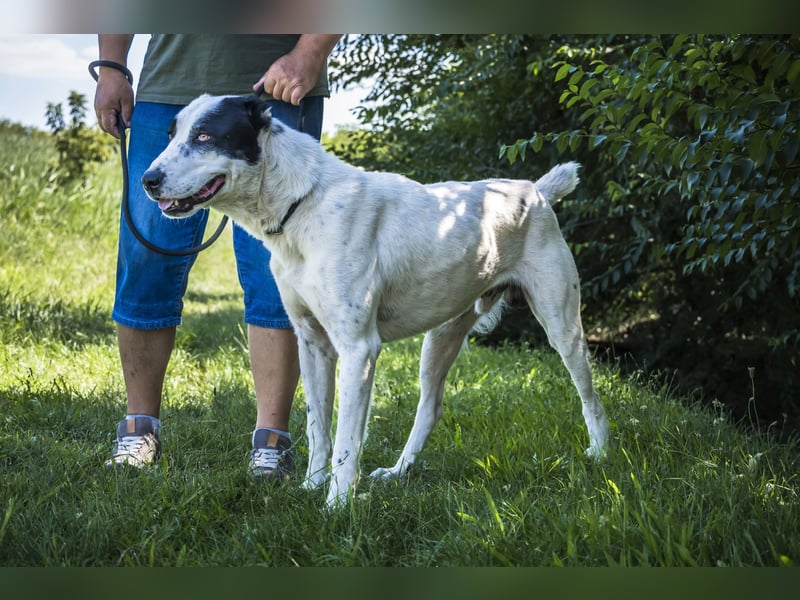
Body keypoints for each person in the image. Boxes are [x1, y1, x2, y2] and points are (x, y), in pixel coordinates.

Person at [93, 34, 341, 479]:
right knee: (145, 260)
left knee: (276, 272)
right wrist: (111, 67)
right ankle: (138, 430)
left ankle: (272, 441)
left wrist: (310, 53)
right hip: (167, 88)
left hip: (277, 85)